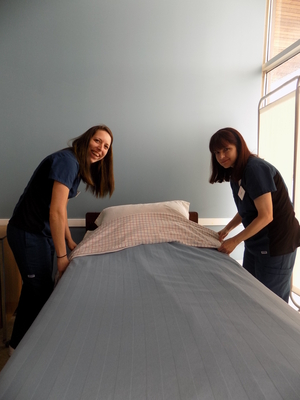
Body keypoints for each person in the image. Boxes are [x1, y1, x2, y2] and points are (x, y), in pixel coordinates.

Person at [7, 124, 114, 355]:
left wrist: (69, 242)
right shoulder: (68, 162)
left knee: (34, 288)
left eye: (106, 146)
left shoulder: (75, 166)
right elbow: (55, 212)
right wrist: (62, 257)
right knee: (41, 291)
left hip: (40, 233)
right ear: (86, 139)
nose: (101, 149)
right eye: (97, 141)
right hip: (28, 232)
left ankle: (18, 343)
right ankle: (20, 348)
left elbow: (61, 209)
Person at [209, 127, 300, 303]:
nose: (221, 157)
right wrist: (227, 230)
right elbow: (247, 210)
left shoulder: (255, 169)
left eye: (226, 149)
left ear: (239, 146)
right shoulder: (236, 173)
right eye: (217, 152)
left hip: (277, 243)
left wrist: (235, 241)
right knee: (250, 293)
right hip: (256, 243)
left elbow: (266, 215)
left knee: (271, 303)